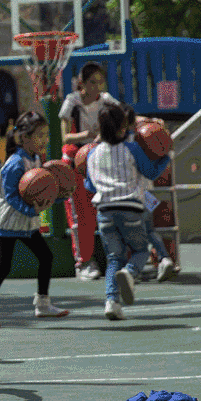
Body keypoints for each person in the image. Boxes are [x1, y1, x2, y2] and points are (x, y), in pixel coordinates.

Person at [0, 111, 70, 329]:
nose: (44, 140)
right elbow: (10, 196)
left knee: (46, 257)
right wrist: (30, 210)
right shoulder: (15, 163)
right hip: (9, 223)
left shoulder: (36, 159)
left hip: (27, 223)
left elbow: (41, 190)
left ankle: (42, 304)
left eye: (46, 135)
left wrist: (59, 195)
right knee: (4, 268)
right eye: (39, 135)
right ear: (24, 137)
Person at [83, 104, 170, 320]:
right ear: (123, 128)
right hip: (130, 207)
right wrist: (165, 157)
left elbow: (90, 186)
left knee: (114, 258)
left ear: (100, 128)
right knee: (140, 250)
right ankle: (130, 273)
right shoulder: (132, 148)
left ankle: (112, 302)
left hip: (104, 211)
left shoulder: (92, 154)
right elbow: (150, 173)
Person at [59, 62, 117, 280]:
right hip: (76, 163)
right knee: (81, 213)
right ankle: (83, 262)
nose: (97, 87)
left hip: (100, 160)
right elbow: (65, 137)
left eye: (100, 82)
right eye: (93, 82)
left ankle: (122, 258)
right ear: (81, 83)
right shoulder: (71, 102)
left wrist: (147, 120)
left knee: (111, 209)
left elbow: (126, 117)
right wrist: (87, 135)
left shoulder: (106, 100)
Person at [120, 103, 176, 283]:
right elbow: (151, 172)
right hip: (144, 193)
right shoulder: (139, 140)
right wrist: (166, 157)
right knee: (150, 229)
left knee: (125, 234)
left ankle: (131, 270)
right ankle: (164, 258)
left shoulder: (115, 145)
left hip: (123, 196)